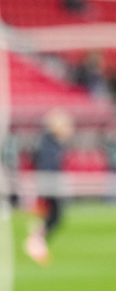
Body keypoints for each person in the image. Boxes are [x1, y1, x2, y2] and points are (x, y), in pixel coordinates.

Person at [25, 109, 74, 266]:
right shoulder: (48, 143)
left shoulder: (51, 142)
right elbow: (46, 165)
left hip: (49, 183)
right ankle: (35, 241)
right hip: (49, 184)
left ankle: (37, 240)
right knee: (54, 215)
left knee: (53, 216)